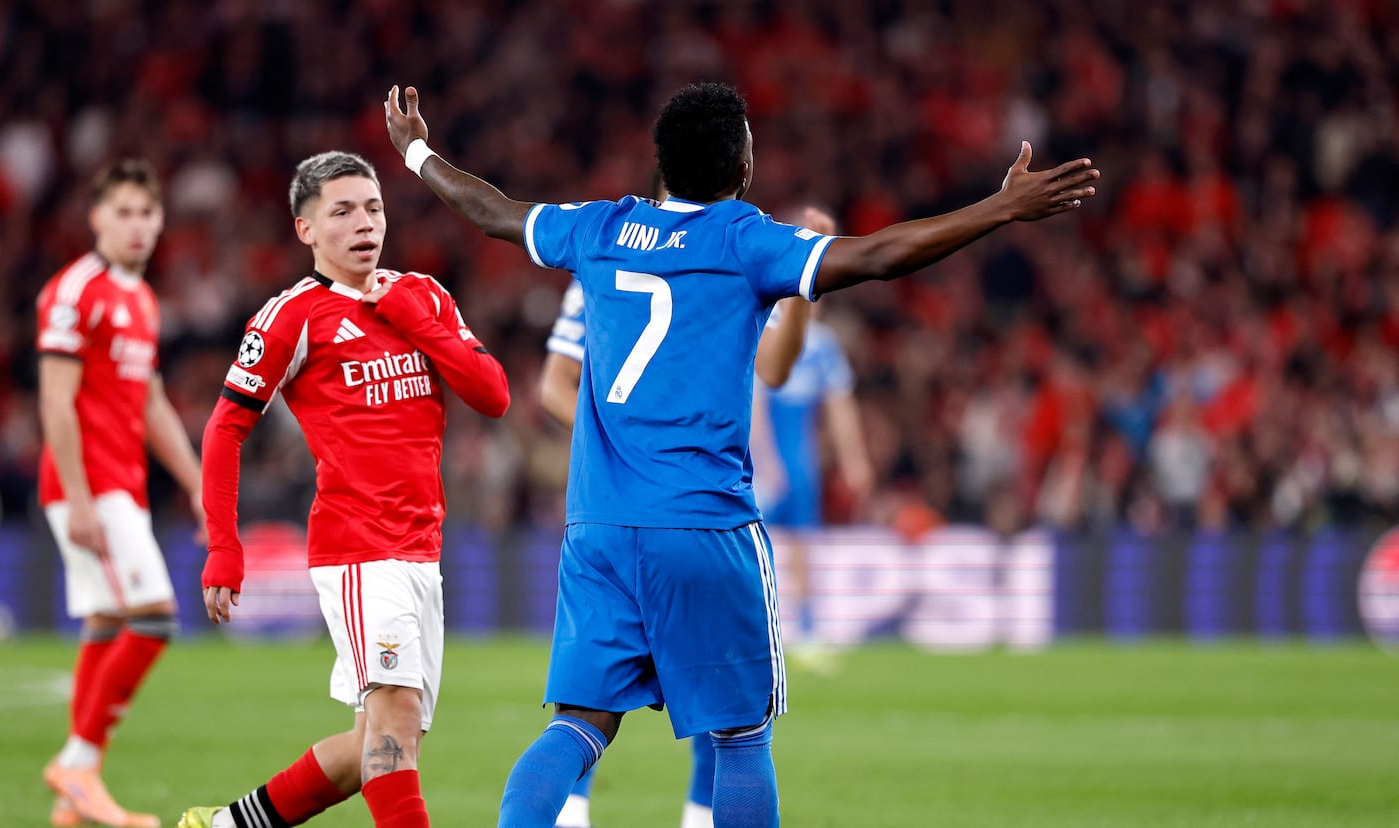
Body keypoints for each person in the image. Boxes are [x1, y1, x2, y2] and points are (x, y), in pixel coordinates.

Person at [384, 80, 1098, 827]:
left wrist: (418, 152)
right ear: (741, 166)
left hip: (598, 528)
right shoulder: (744, 240)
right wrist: (1000, 208)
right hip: (705, 526)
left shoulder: (598, 228)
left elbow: (493, 211)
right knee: (741, 734)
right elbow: (881, 257)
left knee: (579, 724)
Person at [176, 151, 510, 828]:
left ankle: (228, 826)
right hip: (359, 550)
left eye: (374, 207)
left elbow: (494, 395)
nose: (364, 223)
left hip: (422, 550)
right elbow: (223, 429)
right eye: (343, 211)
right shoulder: (292, 316)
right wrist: (223, 547)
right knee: (392, 725)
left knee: (381, 745)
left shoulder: (425, 294)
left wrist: (416, 319)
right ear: (307, 231)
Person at [539, 208, 818, 828]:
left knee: (586, 711)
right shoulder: (719, 251)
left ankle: (683, 814)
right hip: (692, 504)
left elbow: (774, 367)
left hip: (611, 514)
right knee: (736, 710)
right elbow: (554, 384)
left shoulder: (606, 247)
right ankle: (578, 812)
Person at [38, 159, 205, 828]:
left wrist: (196, 483)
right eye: (123, 212)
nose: (136, 225)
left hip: (122, 487)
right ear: (97, 218)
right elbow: (54, 401)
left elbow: (153, 403)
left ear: (160, 221)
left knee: (108, 623)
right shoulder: (75, 291)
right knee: (155, 615)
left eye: (146, 213)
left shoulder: (142, 298)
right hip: (90, 487)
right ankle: (78, 761)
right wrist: (78, 497)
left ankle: (72, 799)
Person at [749, 207, 873, 671]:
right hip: (765, 458)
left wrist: (854, 459)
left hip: (798, 459)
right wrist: (764, 459)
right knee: (753, 541)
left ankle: (806, 628)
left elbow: (841, 408)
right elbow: (755, 403)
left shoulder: (822, 347)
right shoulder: (766, 334)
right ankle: (759, 630)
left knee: (802, 541)